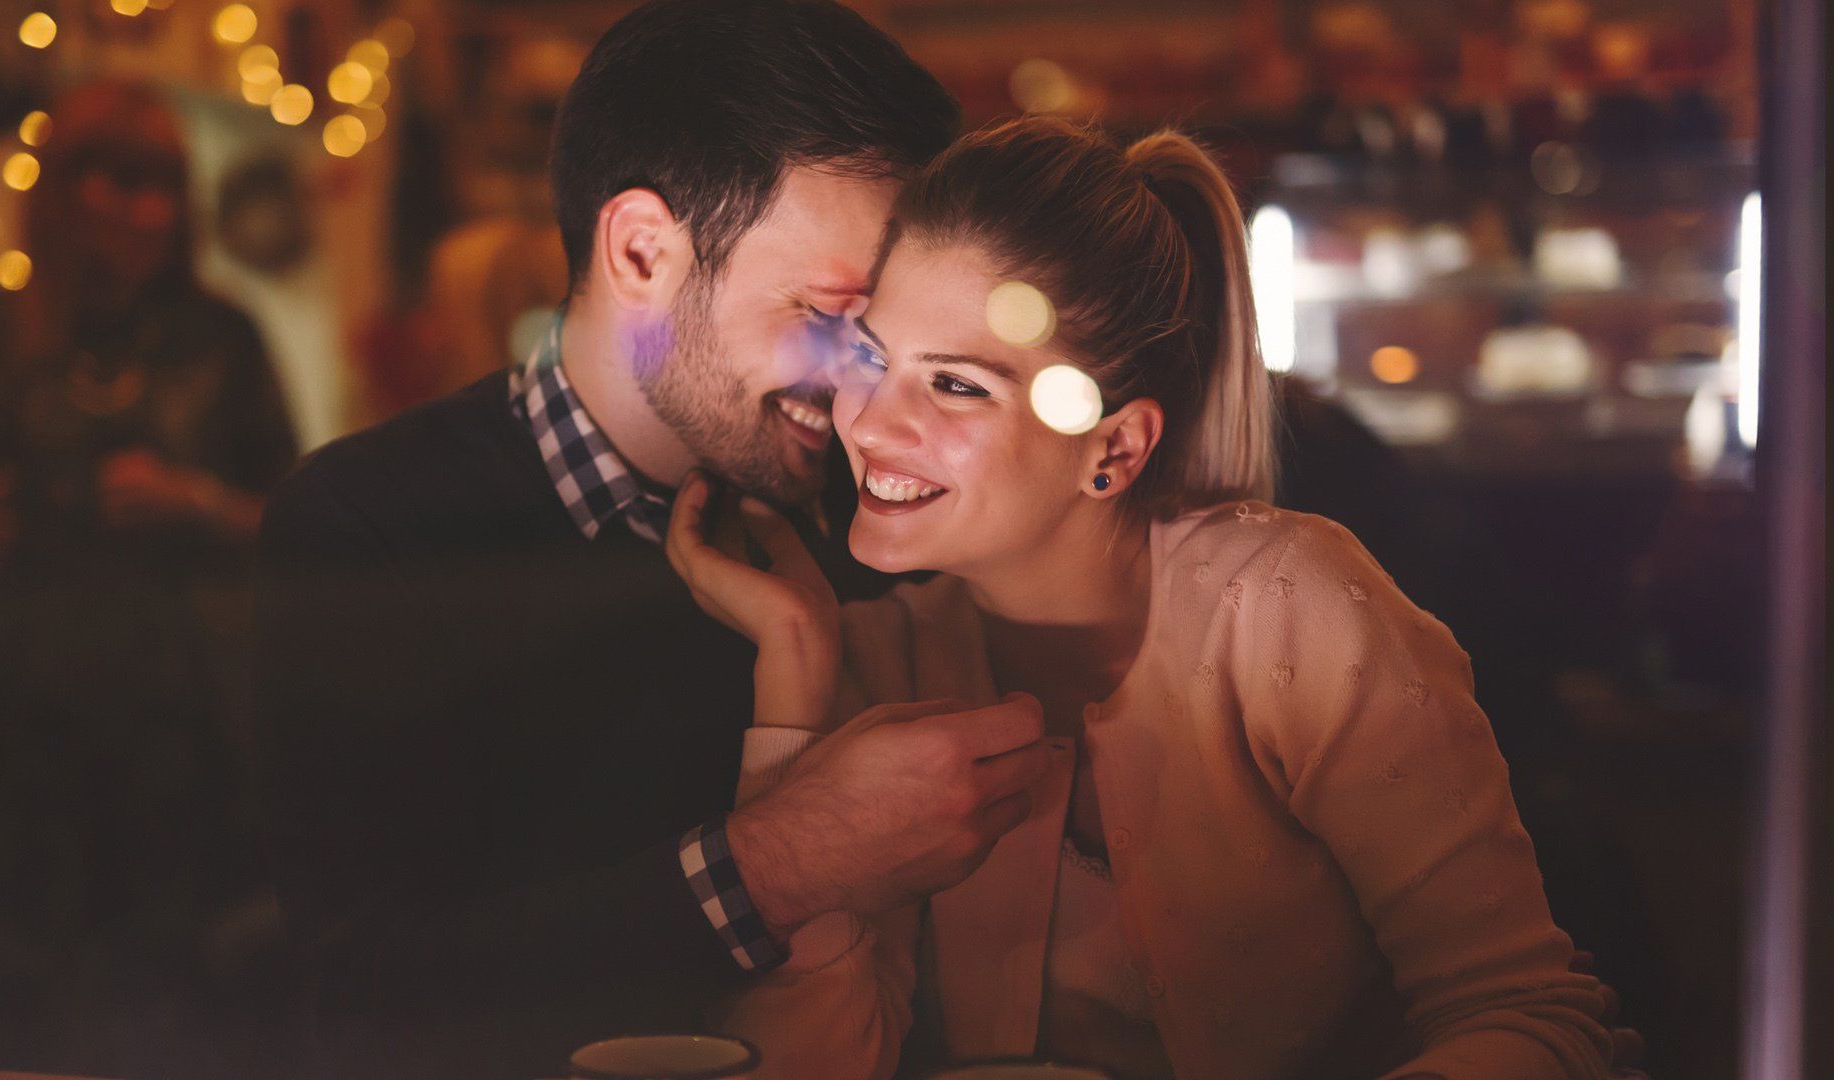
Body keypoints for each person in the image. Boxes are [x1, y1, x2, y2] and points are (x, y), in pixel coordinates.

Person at [667, 116, 1622, 1079]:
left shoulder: (1290, 613)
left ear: (1114, 449)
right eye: (869, 359)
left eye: (956, 385)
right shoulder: (876, 663)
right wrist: (792, 681)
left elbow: (1530, 1015)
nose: (868, 424)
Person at [253, 2, 1050, 1075]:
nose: (868, 387)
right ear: (641, 252)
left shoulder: (874, 532)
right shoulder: (370, 526)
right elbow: (352, 999)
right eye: (829, 317)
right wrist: (778, 865)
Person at [0, 80, 296, 1073]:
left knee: (168, 978)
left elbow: (303, 526)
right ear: (61, 192)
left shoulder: (221, 338)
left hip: (175, 708)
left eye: (163, 186)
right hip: (6, 714)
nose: (147, 212)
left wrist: (197, 503)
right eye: (119, 182)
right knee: (7, 979)